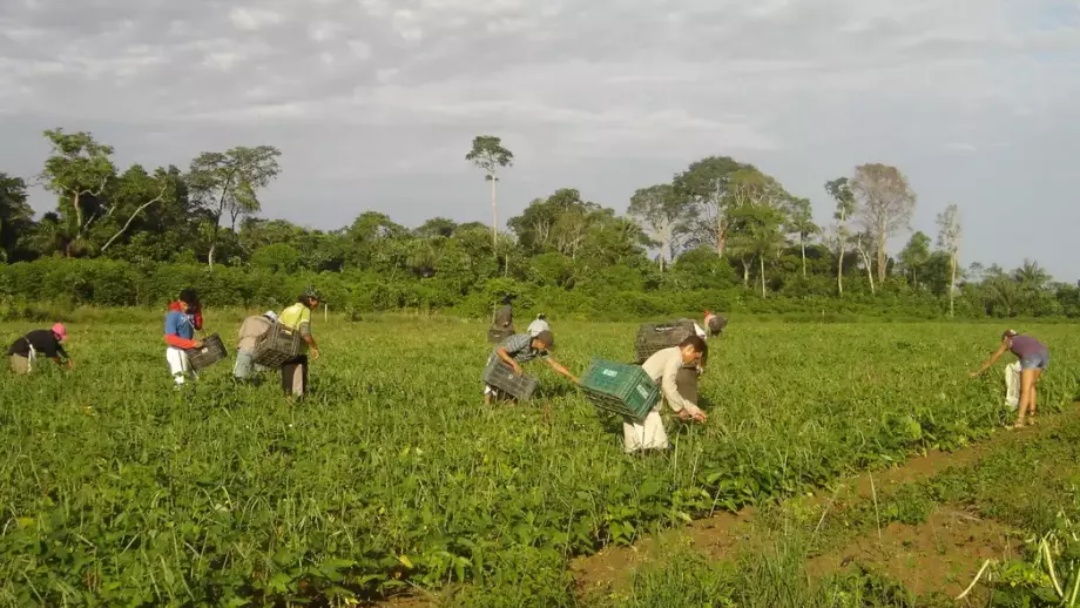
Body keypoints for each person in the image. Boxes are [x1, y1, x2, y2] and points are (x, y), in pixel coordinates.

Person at [625, 335, 709, 454]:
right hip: (642, 392)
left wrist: (693, 409)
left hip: (633, 388)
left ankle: (633, 452)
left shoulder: (669, 352)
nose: (694, 362)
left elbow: (670, 389)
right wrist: (679, 409)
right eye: (695, 358)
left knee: (632, 423)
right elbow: (668, 385)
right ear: (689, 349)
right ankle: (660, 450)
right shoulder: (676, 357)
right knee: (653, 420)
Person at [970, 329, 1049, 429]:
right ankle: (1031, 416)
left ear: (1006, 338)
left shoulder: (1008, 341)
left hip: (1031, 356)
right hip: (1044, 354)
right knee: (1032, 385)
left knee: (1025, 390)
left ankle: (1020, 420)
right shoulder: (1023, 338)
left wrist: (977, 372)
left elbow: (995, 356)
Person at [484, 330, 577, 404]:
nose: (546, 349)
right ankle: (486, 407)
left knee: (507, 386)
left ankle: (504, 403)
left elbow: (554, 364)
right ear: (540, 342)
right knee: (491, 383)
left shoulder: (539, 350)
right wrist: (515, 364)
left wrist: (571, 376)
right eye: (545, 346)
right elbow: (500, 351)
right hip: (497, 359)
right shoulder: (523, 341)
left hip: (509, 363)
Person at [278, 288, 321, 398]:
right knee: (299, 384)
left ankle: (287, 402)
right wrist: (314, 347)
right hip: (297, 351)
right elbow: (305, 333)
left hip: (284, 348)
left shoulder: (287, 310)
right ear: (310, 299)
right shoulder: (305, 310)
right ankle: (298, 405)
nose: (317, 304)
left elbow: (277, 328)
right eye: (317, 301)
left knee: (287, 381)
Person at [164, 288, 203, 387]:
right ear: (179, 301)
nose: (187, 308)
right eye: (185, 304)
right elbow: (170, 339)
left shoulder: (191, 312)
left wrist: (198, 311)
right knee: (181, 381)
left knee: (195, 380)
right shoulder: (173, 315)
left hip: (189, 350)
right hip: (176, 350)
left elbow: (198, 326)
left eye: (190, 305)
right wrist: (192, 344)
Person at [7, 323, 73, 374]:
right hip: (20, 351)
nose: (61, 339)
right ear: (56, 335)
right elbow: (54, 358)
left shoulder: (48, 335)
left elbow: (58, 347)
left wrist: (68, 358)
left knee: (22, 373)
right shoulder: (49, 340)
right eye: (60, 337)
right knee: (24, 374)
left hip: (18, 348)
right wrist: (62, 365)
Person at [234, 311, 278, 381]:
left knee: (240, 374)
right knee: (259, 375)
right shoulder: (271, 325)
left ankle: (239, 387)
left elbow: (240, 335)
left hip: (244, 346)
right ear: (272, 320)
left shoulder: (249, 319)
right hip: (259, 349)